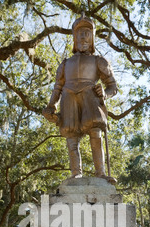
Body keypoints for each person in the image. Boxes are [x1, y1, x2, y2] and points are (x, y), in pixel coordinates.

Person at [43, 13, 118, 184]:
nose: (83, 37)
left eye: (87, 33)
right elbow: (57, 88)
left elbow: (113, 86)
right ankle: (76, 172)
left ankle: (101, 173)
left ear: (92, 38)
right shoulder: (65, 64)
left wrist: (104, 93)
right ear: (74, 37)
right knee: (71, 136)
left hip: (89, 95)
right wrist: (51, 106)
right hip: (68, 96)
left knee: (95, 132)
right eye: (80, 33)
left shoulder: (99, 61)